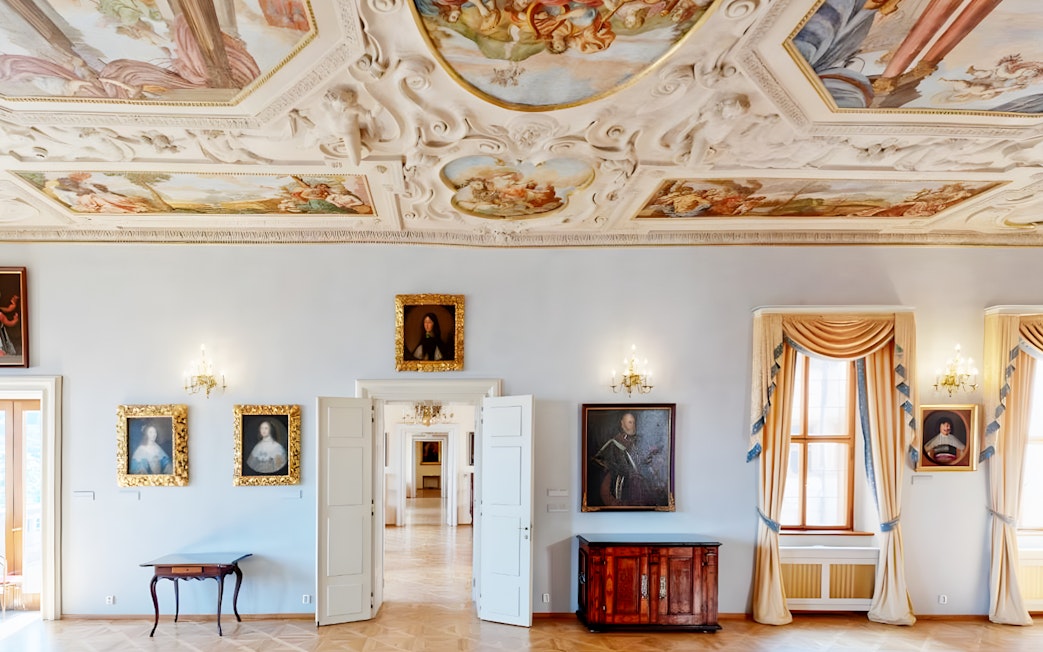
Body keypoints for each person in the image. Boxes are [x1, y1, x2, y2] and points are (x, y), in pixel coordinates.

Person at [592, 412, 668, 507]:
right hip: (622, 483)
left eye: (634, 422)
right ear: (622, 423)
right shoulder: (614, 443)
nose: (633, 425)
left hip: (640, 483)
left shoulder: (640, 441)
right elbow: (603, 461)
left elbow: (644, 461)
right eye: (630, 422)